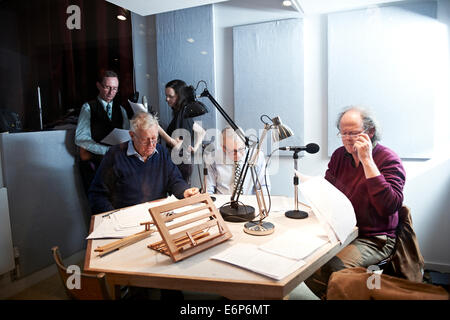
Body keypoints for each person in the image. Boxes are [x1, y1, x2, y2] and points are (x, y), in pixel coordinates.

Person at [303, 106, 406, 299]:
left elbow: (389, 206)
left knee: (333, 270)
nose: (348, 138)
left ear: (370, 132)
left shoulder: (388, 159)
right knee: (307, 265)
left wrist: (367, 160)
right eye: (344, 133)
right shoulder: (339, 156)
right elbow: (328, 191)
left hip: (375, 238)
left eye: (354, 133)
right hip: (343, 230)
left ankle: (344, 293)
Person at [88, 111, 199, 215]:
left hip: (157, 215)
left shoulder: (161, 152)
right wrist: (114, 216)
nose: (151, 144)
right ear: (132, 136)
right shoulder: (115, 155)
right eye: (145, 140)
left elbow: (175, 180)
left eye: (154, 138)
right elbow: (97, 195)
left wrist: (184, 191)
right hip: (127, 219)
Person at [75, 70, 130, 194]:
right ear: (99, 86)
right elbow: (80, 138)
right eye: (107, 87)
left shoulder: (121, 110)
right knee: (99, 203)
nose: (111, 92)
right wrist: (105, 150)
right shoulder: (88, 107)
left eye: (115, 89)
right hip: (94, 165)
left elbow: (127, 136)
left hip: (117, 165)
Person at [205, 127, 270, 195]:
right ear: (223, 148)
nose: (238, 155)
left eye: (241, 149)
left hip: (249, 202)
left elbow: (264, 187)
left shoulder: (257, 156)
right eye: (233, 151)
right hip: (223, 201)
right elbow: (208, 190)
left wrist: (258, 204)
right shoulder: (213, 158)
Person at [162, 79, 196, 184]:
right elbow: (202, 131)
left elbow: (178, 146)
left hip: (181, 165)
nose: (167, 99)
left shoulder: (183, 114)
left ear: (180, 96)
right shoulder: (180, 113)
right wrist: (196, 147)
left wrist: (158, 130)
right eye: (166, 96)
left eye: (171, 96)